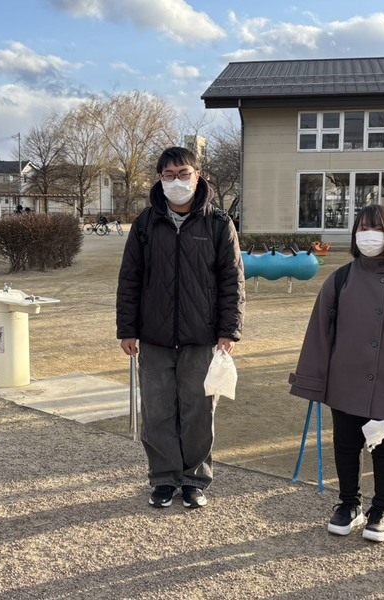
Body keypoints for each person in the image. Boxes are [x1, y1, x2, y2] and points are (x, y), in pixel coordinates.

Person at [289, 204, 384, 543]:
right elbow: (319, 333)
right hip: (345, 379)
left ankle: (383, 508)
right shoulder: (341, 277)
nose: (368, 235)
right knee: (345, 443)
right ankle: (348, 504)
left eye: (376, 228)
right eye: (362, 228)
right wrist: (313, 380)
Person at [116, 146, 245, 509]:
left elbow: (232, 281)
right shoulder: (145, 223)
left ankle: (194, 479)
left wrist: (228, 330)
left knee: (198, 412)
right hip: (153, 337)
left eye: (183, 174)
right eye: (169, 175)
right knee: (156, 411)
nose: (177, 181)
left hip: (201, 336)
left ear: (198, 175)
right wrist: (127, 329)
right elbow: (130, 279)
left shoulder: (219, 223)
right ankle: (162, 477)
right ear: (160, 178)